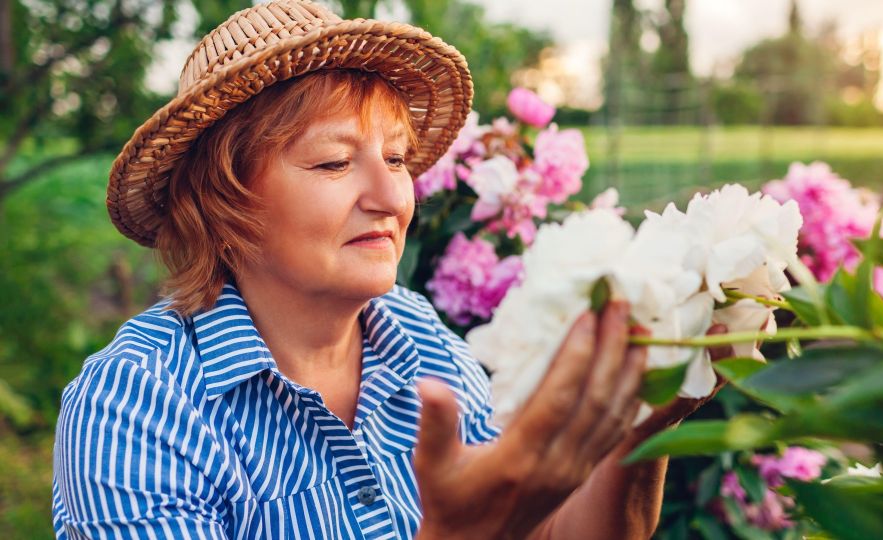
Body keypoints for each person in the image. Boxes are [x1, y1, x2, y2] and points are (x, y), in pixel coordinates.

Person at [51, 1, 726, 538]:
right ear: (222, 203)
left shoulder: (415, 334)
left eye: (397, 158)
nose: (390, 196)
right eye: (333, 162)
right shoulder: (137, 407)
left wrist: (644, 427)